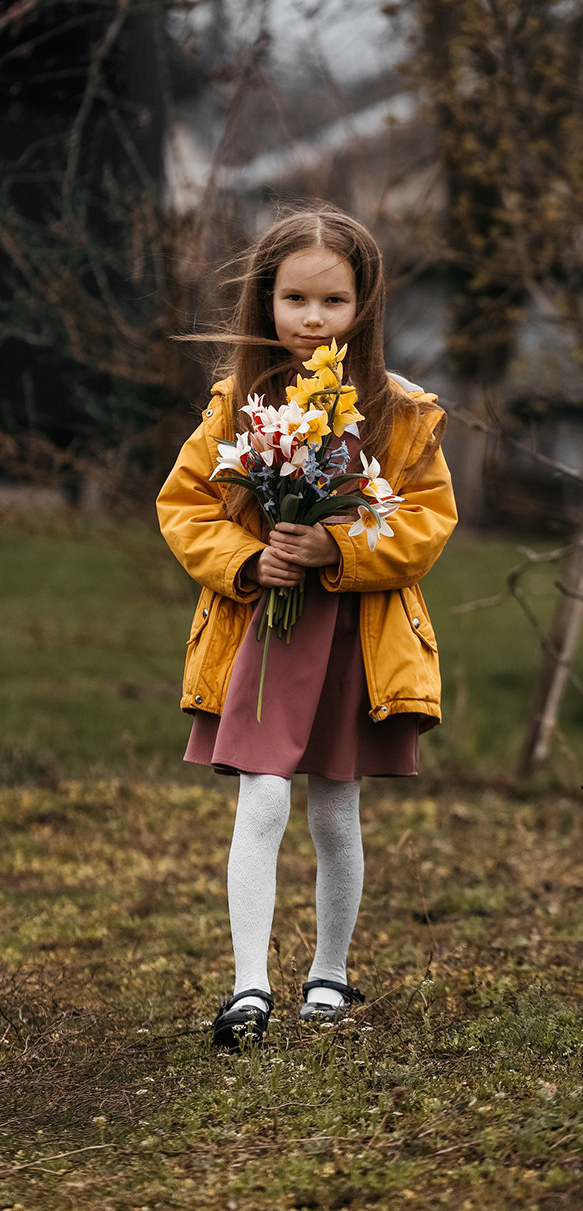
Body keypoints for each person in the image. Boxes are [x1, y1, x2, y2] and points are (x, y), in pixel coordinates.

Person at [157, 205, 457, 1048]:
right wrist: (250, 560)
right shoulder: (237, 405)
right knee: (261, 797)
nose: (313, 319)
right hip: (266, 629)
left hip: (354, 634)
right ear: (266, 300)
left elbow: (427, 521)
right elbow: (186, 506)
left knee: (334, 807)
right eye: (295, 299)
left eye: (333, 301)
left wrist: (340, 544)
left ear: (365, 306)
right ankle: (248, 985)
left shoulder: (401, 412)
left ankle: (328, 972)